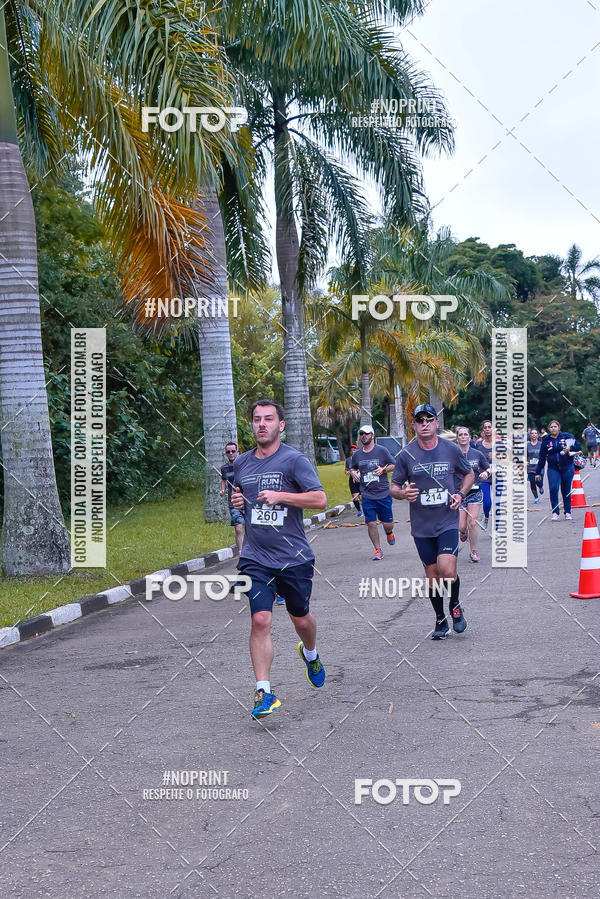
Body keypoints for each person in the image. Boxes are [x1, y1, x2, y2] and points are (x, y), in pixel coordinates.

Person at [232, 399, 327, 719]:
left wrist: (282, 495)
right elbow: (243, 499)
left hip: (293, 556)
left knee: (301, 618)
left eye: (268, 419)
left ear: (280, 425)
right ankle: (264, 692)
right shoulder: (242, 463)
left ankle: (310, 653)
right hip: (255, 556)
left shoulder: (294, 461)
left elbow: (319, 499)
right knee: (260, 619)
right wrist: (237, 501)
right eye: (257, 419)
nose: (261, 424)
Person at [390, 404, 474, 640]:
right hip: (422, 526)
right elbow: (394, 486)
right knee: (433, 574)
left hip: (447, 521)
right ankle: (440, 619)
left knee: (447, 570)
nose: (424, 423)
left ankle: (455, 605)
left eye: (429, 419)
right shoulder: (406, 454)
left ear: (437, 423)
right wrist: (402, 493)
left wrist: (461, 494)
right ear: (414, 425)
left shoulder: (451, 449)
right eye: (419, 420)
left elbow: (468, 473)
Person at [350, 425, 396, 560]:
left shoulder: (382, 451)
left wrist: (383, 470)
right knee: (371, 523)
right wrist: (353, 473)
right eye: (361, 434)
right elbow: (352, 468)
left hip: (383, 492)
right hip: (367, 494)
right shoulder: (357, 454)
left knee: (387, 523)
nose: (364, 436)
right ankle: (378, 550)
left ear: (372, 435)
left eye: (367, 433)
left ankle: (389, 532)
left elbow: (393, 464)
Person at [455, 426, 490, 562]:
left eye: (465, 435)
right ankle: (462, 532)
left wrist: (486, 473)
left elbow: (488, 467)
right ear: (457, 438)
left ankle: (473, 551)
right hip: (459, 493)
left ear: (470, 437)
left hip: (475, 492)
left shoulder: (477, 453)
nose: (463, 437)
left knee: (472, 522)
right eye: (461, 435)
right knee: (461, 526)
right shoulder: (453, 454)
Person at [535, 419, 582, 521]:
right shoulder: (546, 440)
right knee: (553, 489)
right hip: (553, 468)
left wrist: (570, 447)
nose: (553, 428)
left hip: (567, 467)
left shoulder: (566, 436)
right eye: (551, 427)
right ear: (549, 429)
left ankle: (568, 512)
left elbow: (578, 446)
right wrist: (538, 472)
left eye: (555, 426)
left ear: (559, 428)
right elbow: (542, 457)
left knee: (566, 490)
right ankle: (555, 512)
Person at [220, 442, 244, 553]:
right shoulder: (224, 468)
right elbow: (224, 480)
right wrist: (223, 490)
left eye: (233, 451)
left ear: (237, 451)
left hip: (247, 500)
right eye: (228, 452)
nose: (231, 453)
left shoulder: (244, 465)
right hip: (234, 502)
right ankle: (241, 554)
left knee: (252, 528)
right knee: (238, 528)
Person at [475, 420, 493, 527]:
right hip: (484, 477)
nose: (487, 429)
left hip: (498, 476)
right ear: (483, 430)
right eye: (485, 427)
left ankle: (497, 529)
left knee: (499, 505)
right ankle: (486, 517)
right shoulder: (479, 446)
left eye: (489, 427)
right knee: (487, 503)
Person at [344, 443, 362, 516]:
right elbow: (346, 470)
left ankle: (367, 510)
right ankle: (359, 511)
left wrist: (358, 471)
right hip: (352, 480)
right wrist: (348, 472)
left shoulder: (360, 458)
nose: (353, 451)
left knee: (361, 497)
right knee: (354, 496)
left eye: (355, 450)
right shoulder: (348, 460)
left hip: (360, 479)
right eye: (352, 450)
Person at [526, 429, 544, 503]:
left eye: (535, 433)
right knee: (532, 482)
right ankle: (536, 497)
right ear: (530, 435)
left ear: (538, 435)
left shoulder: (541, 444)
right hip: (530, 467)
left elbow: (544, 455)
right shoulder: (527, 445)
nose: (533, 435)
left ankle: (540, 486)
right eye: (532, 433)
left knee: (538, 481)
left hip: (539, 467)